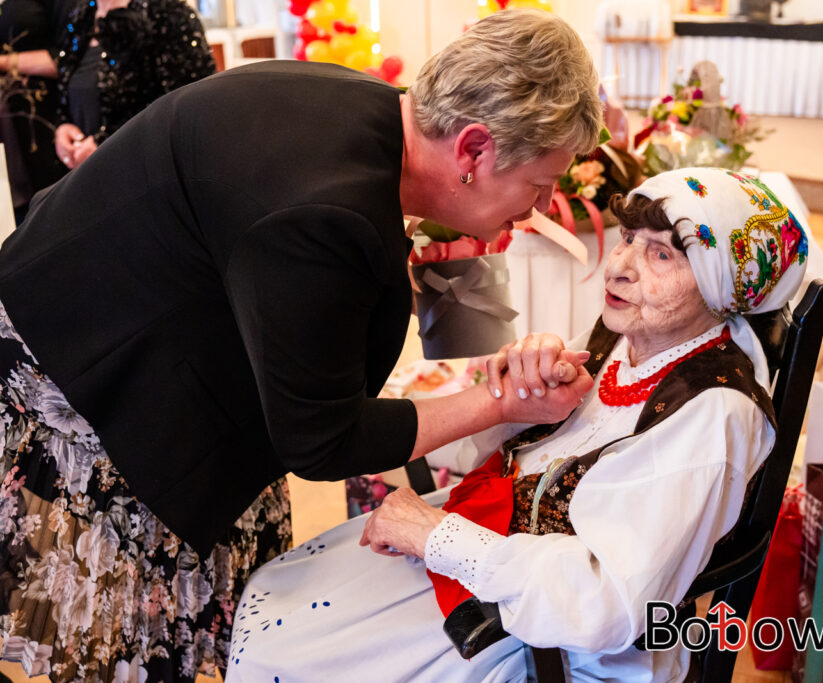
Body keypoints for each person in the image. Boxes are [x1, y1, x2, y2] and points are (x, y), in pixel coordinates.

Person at [0, 9, 602, 681]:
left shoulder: (372, 115)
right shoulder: (323, 207)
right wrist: (502, 403)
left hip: (161, 341)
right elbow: (322, 439)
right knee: (138, 641)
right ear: (473, 150)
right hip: (88, 374)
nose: (538, 208)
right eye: (539, 186)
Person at [224, 168, 809, 682]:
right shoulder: (633, 336)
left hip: (549, 642)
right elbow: (533, 449)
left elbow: (605, 604)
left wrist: (436, 536)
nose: (620, 266)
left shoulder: (712, 417)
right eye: (630, 237)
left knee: (288, 651)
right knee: (279, 591)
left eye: (661, 255)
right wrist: (516, 395)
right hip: (505, 560)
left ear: (722, 287)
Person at [52, 0, 216, 170]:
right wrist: (63, 127)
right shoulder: (81, 17)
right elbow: (68, 93)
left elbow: (190, 106)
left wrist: (106, 143)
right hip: (89, 174)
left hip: (146, 172)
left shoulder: (168, 14)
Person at [0, 0, 73, 223]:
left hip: (43, 131)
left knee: (46, 218)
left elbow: (70, 58)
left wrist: (4, 62)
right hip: (7, 139)